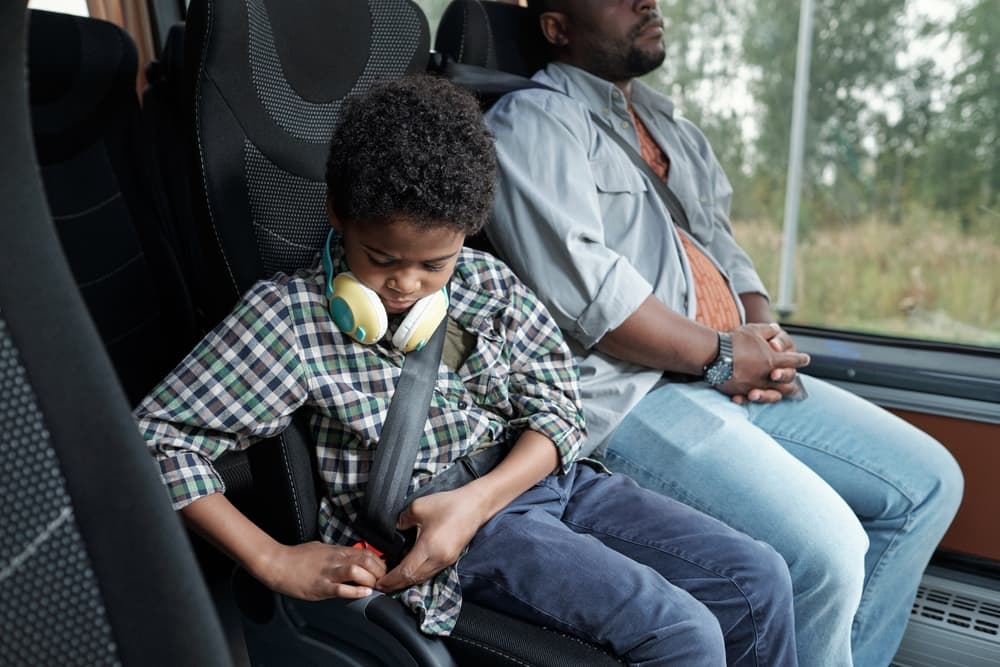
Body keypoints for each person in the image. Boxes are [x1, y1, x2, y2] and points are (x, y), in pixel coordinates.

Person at [134, 75, 797, 666]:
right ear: (337, 212)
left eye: (434, 264)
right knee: (684, 634)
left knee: (761, 579)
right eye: (383, 257)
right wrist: (271, 558)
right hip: (442, 529)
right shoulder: (290, 320)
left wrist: (479, 496)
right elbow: (157, 437)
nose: (406, 286)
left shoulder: (487, 283)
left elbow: (558, 408)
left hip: (530, 485)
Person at [481, 2, 965, 666]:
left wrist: (762, 334)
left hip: (728, 370)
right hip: (634, 393)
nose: (645, 2)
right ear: (557, 26)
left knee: (930, 482)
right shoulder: (532, 125)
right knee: (826, 552)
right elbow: (595, 300)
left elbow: (725, 250)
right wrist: (722, 354)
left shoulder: (670, 126)